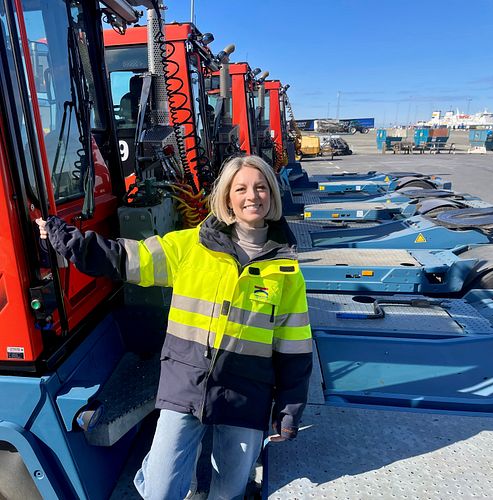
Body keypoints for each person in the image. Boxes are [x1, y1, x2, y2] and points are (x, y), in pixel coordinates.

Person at [36, 154, 312, 500]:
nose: (251, 196)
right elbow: (125, 257)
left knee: (229, 491)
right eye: (240, 188)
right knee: (161, 490)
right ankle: (152, 473)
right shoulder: (190, 247)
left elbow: (295, 348)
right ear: (227, 198)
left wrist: (287, 410)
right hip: (186, 384)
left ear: (271, 195)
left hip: (247, 393)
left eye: (260, 188)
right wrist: (68, 240)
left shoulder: (286, 271)